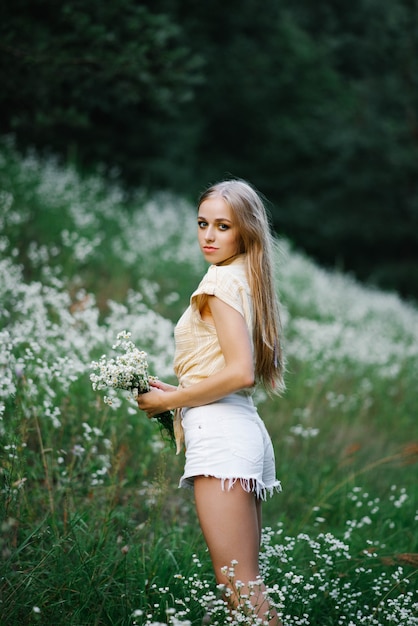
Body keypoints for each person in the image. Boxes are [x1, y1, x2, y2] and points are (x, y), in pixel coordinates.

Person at [137, 179, 285, 625]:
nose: (208, 235)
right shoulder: (248, 277)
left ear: (245, 232)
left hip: (222, 437)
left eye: (223, 226)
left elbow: (241, 372)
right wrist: (176, 392)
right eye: (203, 223)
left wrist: (173, 400)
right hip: (241, 428)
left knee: (241, 589)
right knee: (244, 587)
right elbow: (223, 369)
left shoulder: (220, 280)